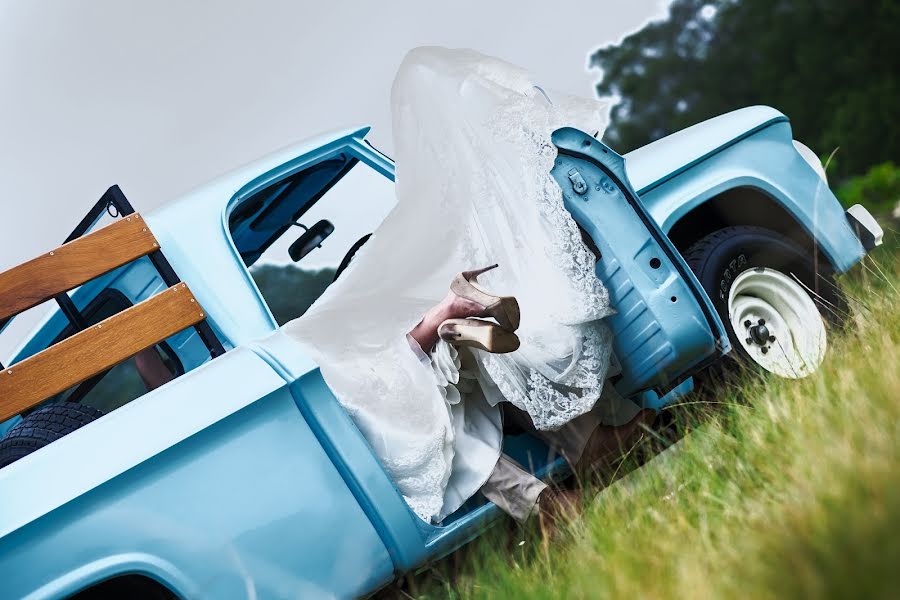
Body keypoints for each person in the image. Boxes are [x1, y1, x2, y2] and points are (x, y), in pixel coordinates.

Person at [285, 47, 650, 523]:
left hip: (342, 350)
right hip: (366, 342)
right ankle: (452, 323)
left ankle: (547, 500)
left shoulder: (409, 221)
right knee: (414, 403)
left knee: (405, 408)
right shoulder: (448, 202)